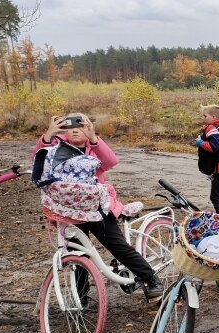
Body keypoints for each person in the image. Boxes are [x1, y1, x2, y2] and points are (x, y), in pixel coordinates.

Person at [32, 114, 164, 303]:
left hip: (97, 207)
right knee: (76, 251)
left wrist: (94, 139)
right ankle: (80, 296)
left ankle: (151, 280)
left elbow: (111, 161)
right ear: (63, 132)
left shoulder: (92, 150)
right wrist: (48, 136)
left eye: (81, 127)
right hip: (68, 209)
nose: (75, 130)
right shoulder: (56, 149)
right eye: (69, 128)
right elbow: (38, 159)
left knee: (116, 245)